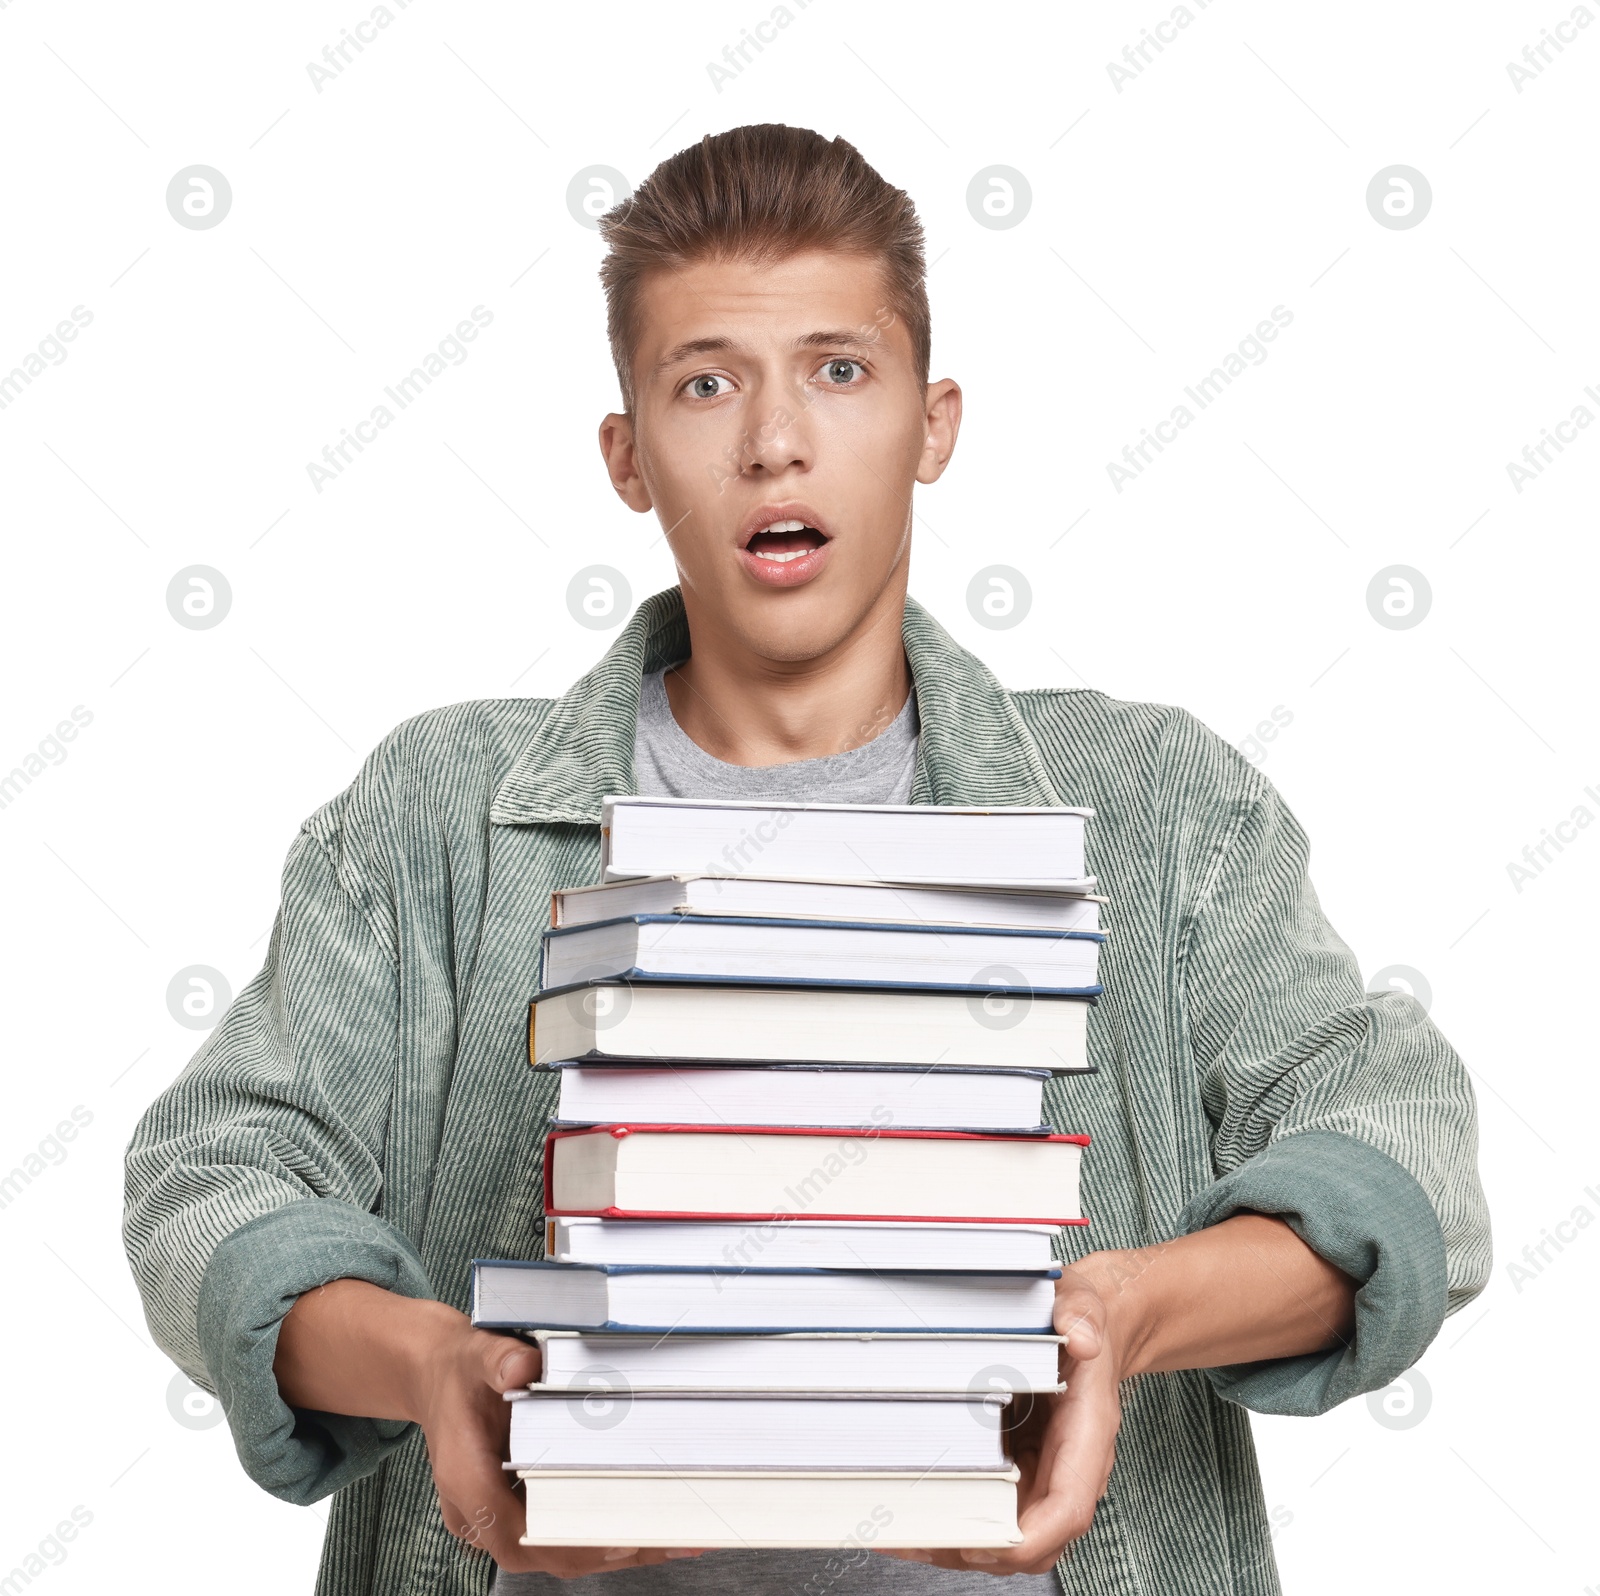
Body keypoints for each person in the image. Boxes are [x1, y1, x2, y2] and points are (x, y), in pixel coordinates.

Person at [122, 124, 1490, 1596]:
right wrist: (431, 1363)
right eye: (706, 382)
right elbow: (214, 1177)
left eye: (839, 371)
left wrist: (1119, 1316)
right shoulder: (435, 815)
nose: (775, 438)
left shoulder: (1157, 811)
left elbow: (1400, 1144)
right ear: (629, 457)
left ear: (934, 423)